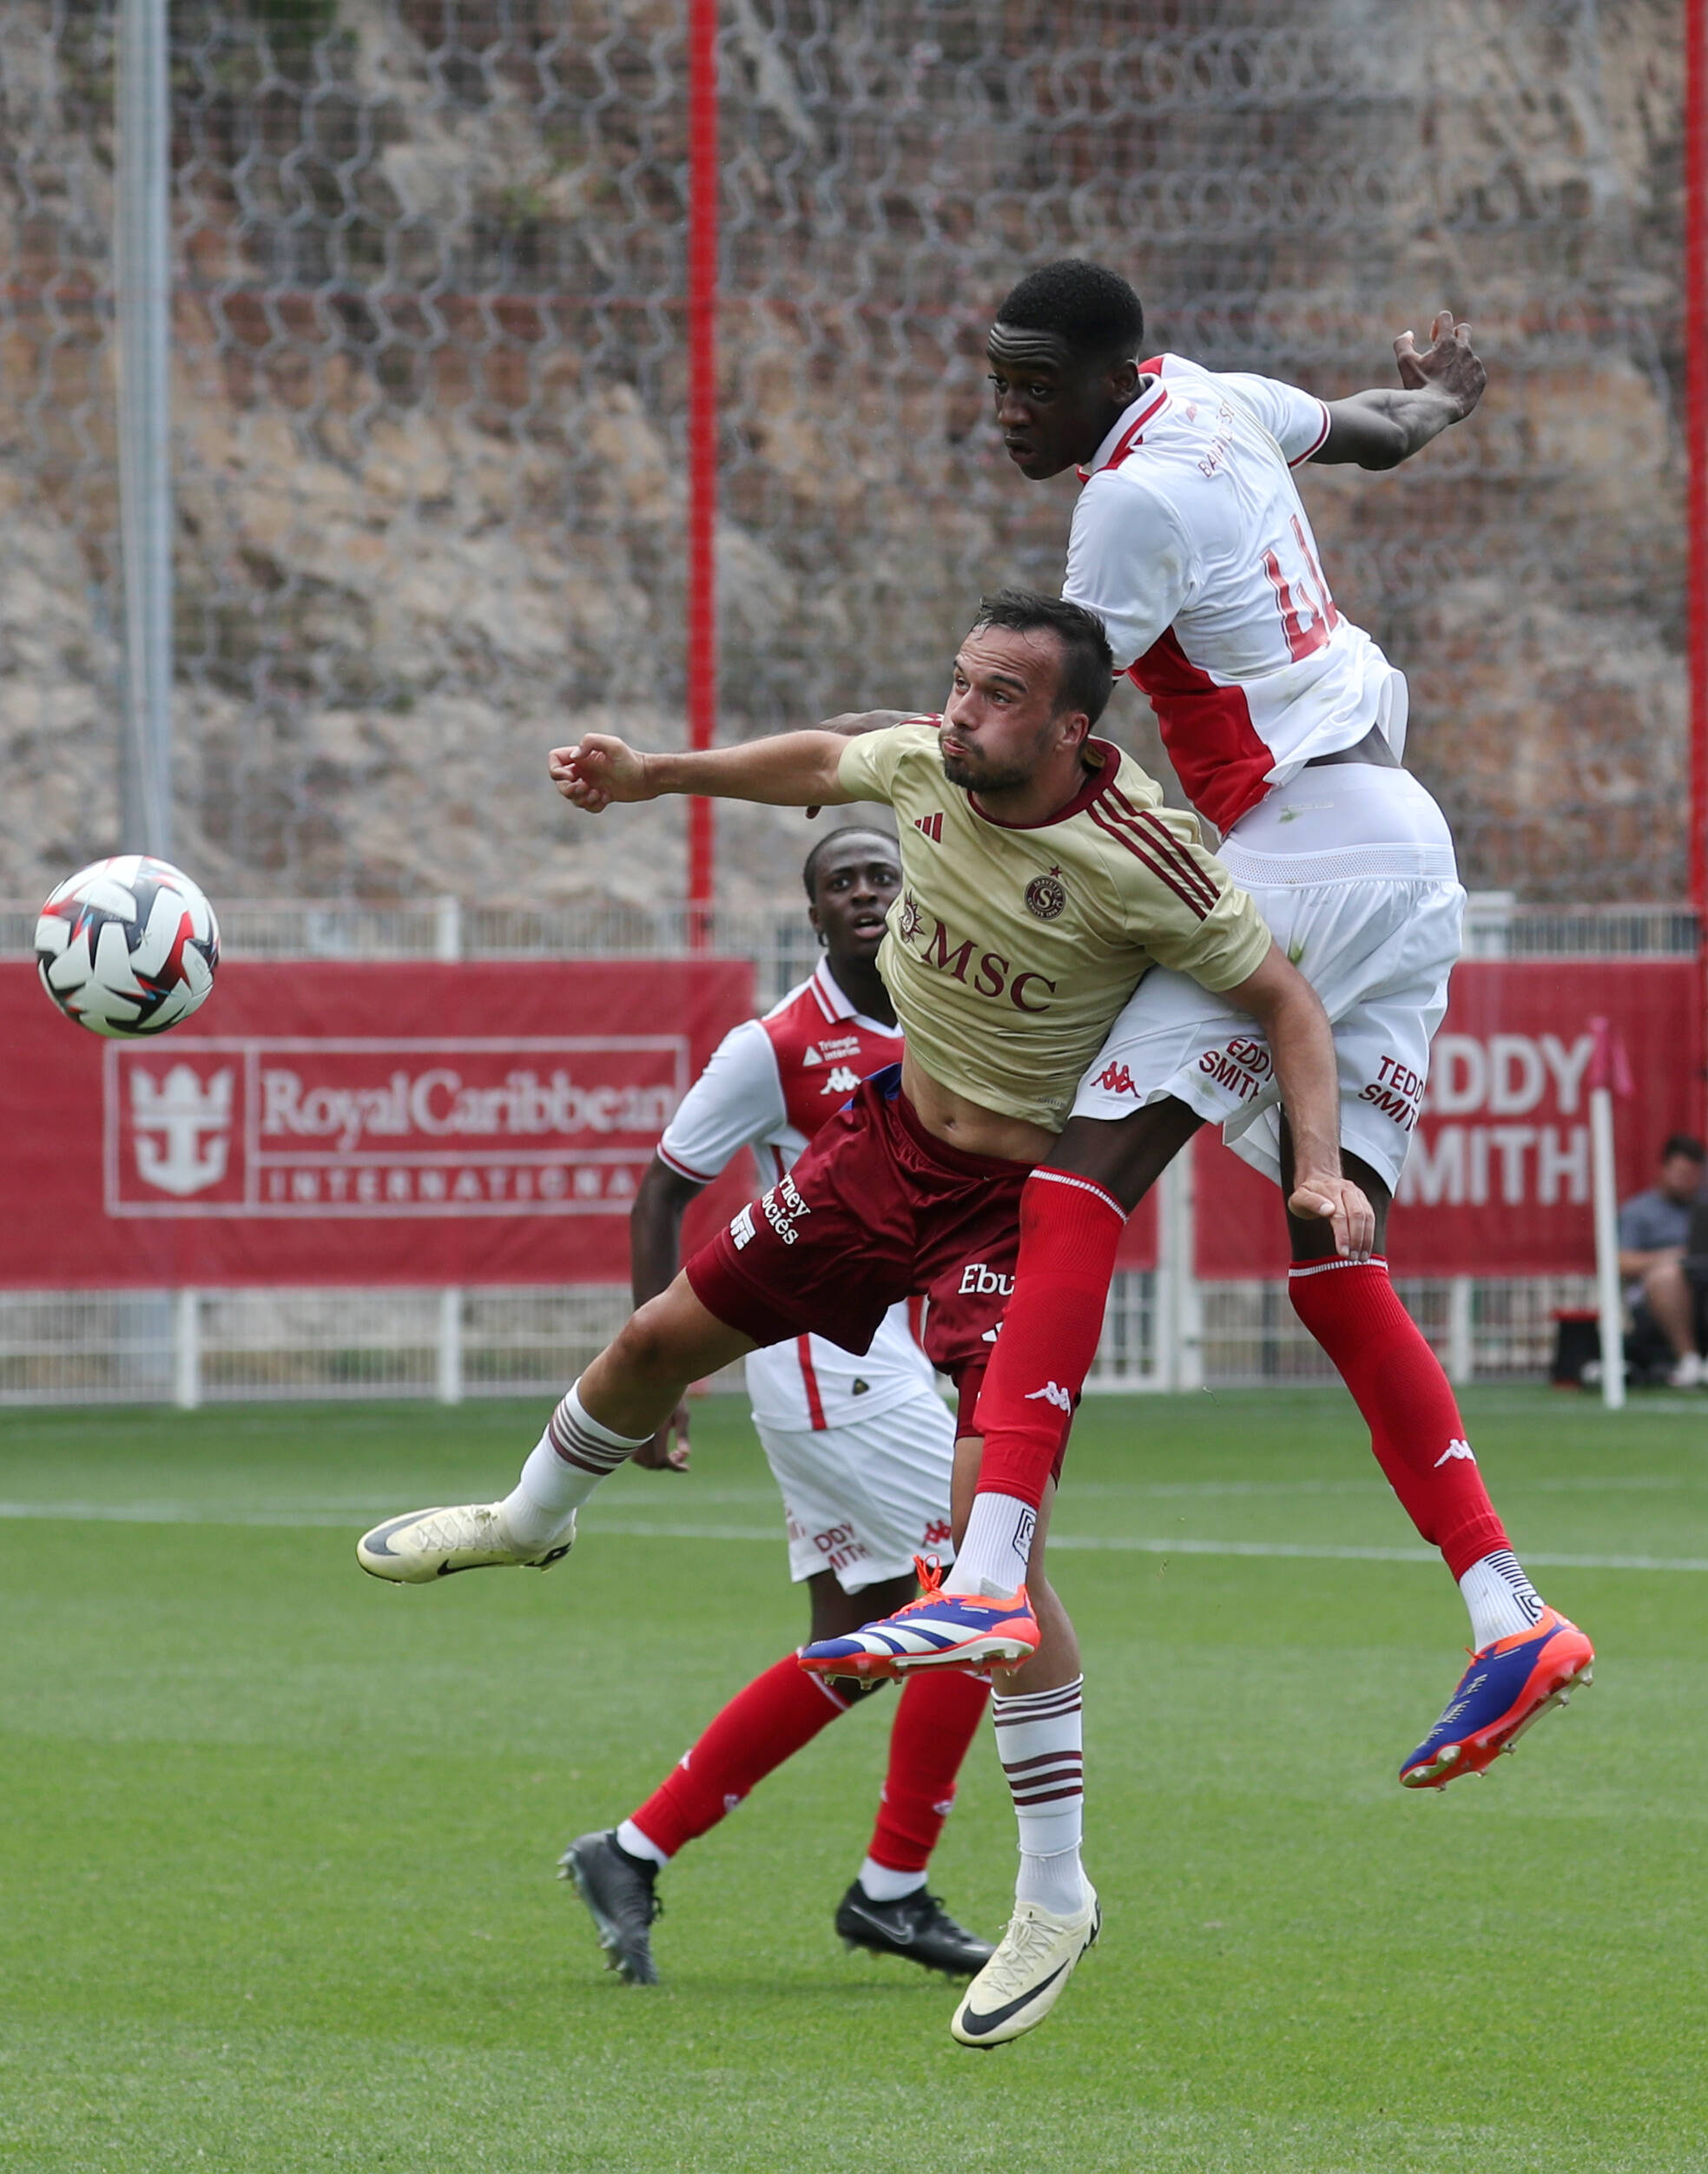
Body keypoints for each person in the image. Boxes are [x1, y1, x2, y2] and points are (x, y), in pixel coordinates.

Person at [357, 587, 1373, 2048]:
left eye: (996, 696)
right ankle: (529, 1517)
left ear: (1071, 728)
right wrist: (654, 776)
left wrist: (1320, 1170)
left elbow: (1283, 1002)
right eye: (956, 684)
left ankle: (1051, 1886)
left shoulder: (1144, 855)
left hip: (1012, 1213)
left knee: (985, 1571)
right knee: (653, 1344)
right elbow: (828, 756)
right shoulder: (924, 764)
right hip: (879, 1156)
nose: (958, 712)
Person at [816, 261, 1593, 1804]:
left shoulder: (1123, 504)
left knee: (1074, 1180)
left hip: (1301, 836)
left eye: (1031, 385)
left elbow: (1045, 727)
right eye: (994, 380)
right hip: (1400, 843)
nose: (1003, 412)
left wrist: (912, 787)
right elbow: (1370, 429)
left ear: (1107, 375)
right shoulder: (1213, 398)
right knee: (1333, 1250)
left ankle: (983, 1564)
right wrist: (1436, 394)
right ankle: (1505, 1609)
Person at [557, 827, 994, 1985]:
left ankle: (629, 1851)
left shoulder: (952, 1009)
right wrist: (655, 1381)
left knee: (854, 1641)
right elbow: (662, 1196)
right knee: (981, 1600)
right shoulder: (778, 1044)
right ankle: (890, 1891)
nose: (864, 893)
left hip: (887, 1358)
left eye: (880, 876)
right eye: (838, 882)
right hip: (827, 1362)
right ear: (810, 915)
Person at [1618, 1134, 1708, 1387]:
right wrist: (1670, 1257)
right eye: (1681, 1174)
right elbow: (1620, 1262)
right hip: (1658, 1298)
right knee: (1668, 1276)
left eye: (1693, 1176)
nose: (1688, 1182)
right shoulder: (1638, 1212)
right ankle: (1688, 1360)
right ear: (1664, 1170)